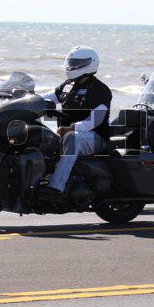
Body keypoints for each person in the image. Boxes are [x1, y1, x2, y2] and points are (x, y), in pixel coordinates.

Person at [40, 46, 112, 201]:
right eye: (71, 62)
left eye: (77, 63)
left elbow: (94, 121)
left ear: (90, 63)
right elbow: (46, 98)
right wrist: (25, 100)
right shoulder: (68, 85)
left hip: (96, 137)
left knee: (72, 138)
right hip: (68, 133)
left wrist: (70, 128)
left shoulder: (100, 90)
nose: (72, 66)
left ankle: (56, 188)